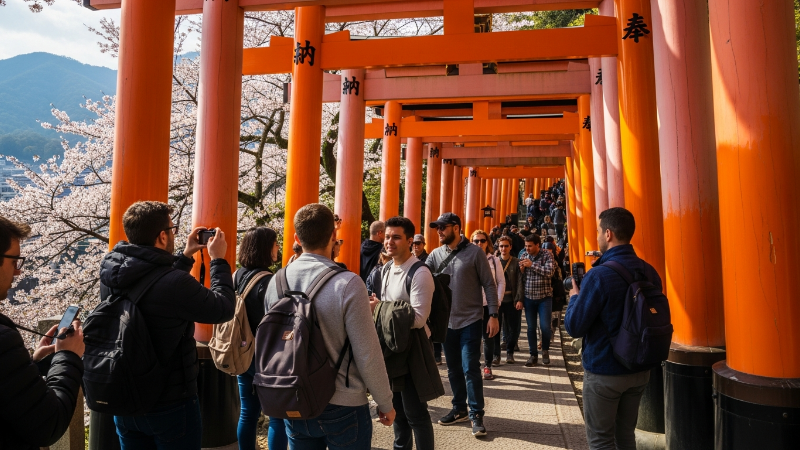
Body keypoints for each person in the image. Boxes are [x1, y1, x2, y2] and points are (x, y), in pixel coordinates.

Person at [99, 201, 236, 449]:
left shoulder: (111, 273)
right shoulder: (176, 283)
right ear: (162, 236)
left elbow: (154, 284)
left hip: (126, 395)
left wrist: (185, 256)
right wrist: (218, 261)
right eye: (172, 229)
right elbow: (224, 308)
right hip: (170, 401)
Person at [265, 204, 395, 449]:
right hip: (343, 401)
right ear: (333, 236)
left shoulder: (276, 281)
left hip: (294, 396)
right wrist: (384, 401)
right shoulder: (348, 283)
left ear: (296, 238)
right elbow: (367, 352)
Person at [565, 207, 661, 450]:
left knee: (601, 440)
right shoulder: (649, 271)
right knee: (625, 436)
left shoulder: (599, 275)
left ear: (608, 234)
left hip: (605, 370)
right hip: (640, 368)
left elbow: (575, 326)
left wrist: (574, 298)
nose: (597, 236)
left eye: (598, 231)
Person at [0, 216, 86, 450]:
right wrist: (68, 357)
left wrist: (32, 366)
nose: (18, 272)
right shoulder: (3, 340)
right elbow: (49, 424)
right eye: (14, 261)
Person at [425, 213, 499, 438]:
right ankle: (459, 409)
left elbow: (489, 284)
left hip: (471, 319)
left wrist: (493, 314)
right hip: (446, 322)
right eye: (437, 228)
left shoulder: (475, 252)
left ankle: (476, 414)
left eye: (443, 227)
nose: (439, 231)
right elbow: (421, 278)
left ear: (456, 228)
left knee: (470, 367)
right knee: (453, 369)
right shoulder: (435, 254)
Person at [371, 216, 442, 450]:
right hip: (391, 347)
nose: (389, 242)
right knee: (397, 413)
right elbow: (388, 310)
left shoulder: (420, 272)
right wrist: (379, 307)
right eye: (387, 237)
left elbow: (419, 318)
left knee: (416, 414)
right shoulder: (385, 269)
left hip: (413, 349)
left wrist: (378, 308)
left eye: (396, 237)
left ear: (410, 241)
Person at [234, 227, 284, 450]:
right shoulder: (271, 281)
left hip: (242, 352)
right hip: (267, 356)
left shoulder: (236, 275)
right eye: (275, 243)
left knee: (247, 413)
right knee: (277, 416)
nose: (278, 248)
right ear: (266, 248)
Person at [470, 230, 504, 380]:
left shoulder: (494, 260)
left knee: (488, 336)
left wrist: (497, 301)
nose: (479, 243)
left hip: (488, 304)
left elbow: (501, 282)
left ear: (487, 243)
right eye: (476, 241)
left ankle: (487, 366)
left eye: (482, 241)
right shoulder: (467, 258)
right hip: (471, 304)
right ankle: (473, 365)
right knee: (472, 337)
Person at [518, 233, 555, 366]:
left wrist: (532, 265)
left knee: (545, 327)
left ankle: (545, 349)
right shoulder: (523, 255)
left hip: (545, 297)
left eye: (530, 246)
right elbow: (520, 278)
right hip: (529, 297)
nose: (527, 248)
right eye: (526, 246)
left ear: (537, 245)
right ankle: (533, 355)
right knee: (531, 328)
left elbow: (550, 272)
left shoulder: (547, 255)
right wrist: (521, 270)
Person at [495, 235, 524, 364]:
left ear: (510, 247)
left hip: (512, 299)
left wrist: (519, 299)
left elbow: (520, 282)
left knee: (513, 328)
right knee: (496, 328)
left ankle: (510, 352)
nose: (504, 249)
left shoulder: (516, 262)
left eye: (506, 246)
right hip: (498, 300)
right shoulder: (494, 262)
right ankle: (496, 355)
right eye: (501, 246)